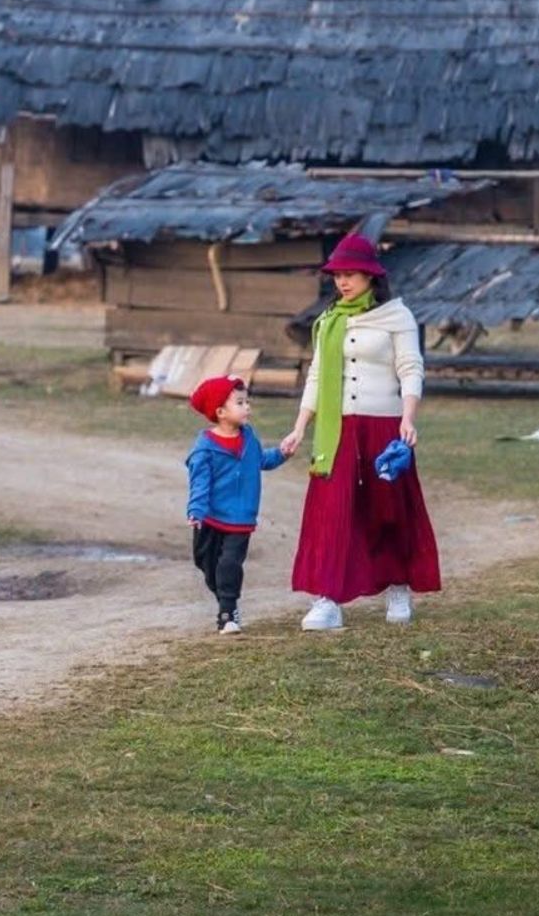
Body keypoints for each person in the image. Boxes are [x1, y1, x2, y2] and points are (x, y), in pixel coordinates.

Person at [279, 234, 439, 631]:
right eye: (338, 275)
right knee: (334, 511)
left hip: (383, 425)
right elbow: (317, 375)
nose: (343, 282)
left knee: (389, 507)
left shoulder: (397, 316)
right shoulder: (330, 319)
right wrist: (300, 426)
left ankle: (398, 584)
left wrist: (408, 417)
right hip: (338, 431)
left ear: (371, 276)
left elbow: (410, 368)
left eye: (351, 274)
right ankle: (328, 599)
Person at [185, 374, 290, 635]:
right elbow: (199, 483)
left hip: (240, 518)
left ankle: (227, 613)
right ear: (220, 412)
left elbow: (260, 461)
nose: (248, 407)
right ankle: (225, 598)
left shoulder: (249, 438)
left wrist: (282, 453)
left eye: (247, 401)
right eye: (240, 403)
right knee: (206, 563)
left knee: (229, 564)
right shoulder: (204, 449)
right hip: (209, 518)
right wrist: (196, 510)